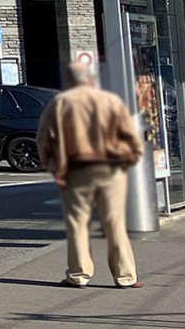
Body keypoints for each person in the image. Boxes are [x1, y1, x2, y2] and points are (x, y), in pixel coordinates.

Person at [39, 58, 144, 288]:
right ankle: (126, 276)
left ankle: (78, 275)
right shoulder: (110, 101)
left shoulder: (60, 103)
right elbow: (131, 137)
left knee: (77, 224)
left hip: (75, 171)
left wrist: (53, 166)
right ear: (90, 79)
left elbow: (44, 140)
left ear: (70, 80)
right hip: (110, 169)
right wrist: (130, 159)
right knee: (114, 222)